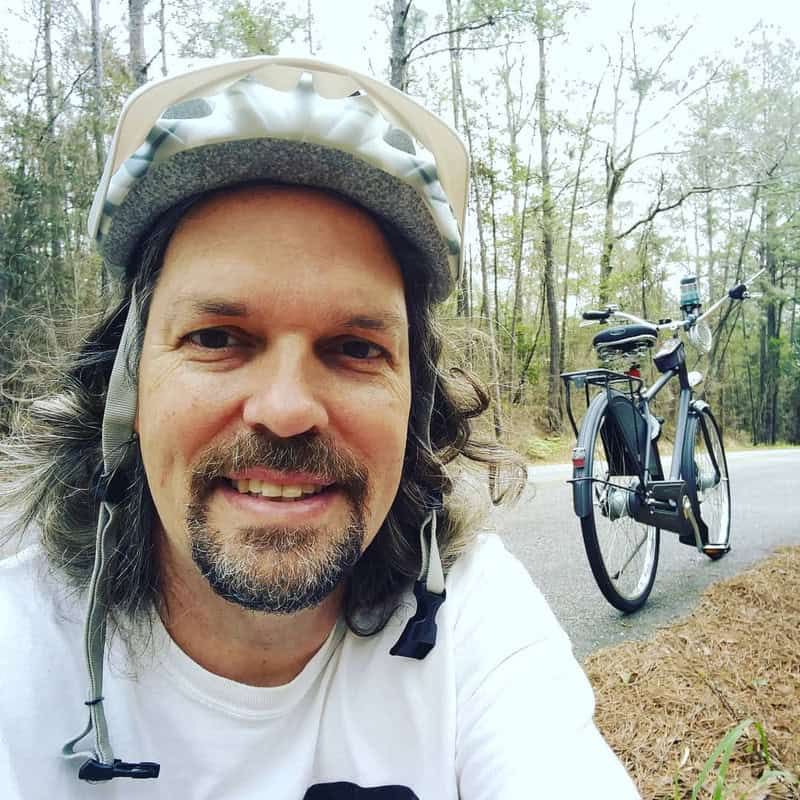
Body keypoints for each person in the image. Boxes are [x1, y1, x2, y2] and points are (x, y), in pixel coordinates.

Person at [0, 57, 640, 798]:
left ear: (414, 403)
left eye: (356, 348)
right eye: (217, 337)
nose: (286, 407)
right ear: (128, 388)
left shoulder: (471, 613)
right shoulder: (17, 639)